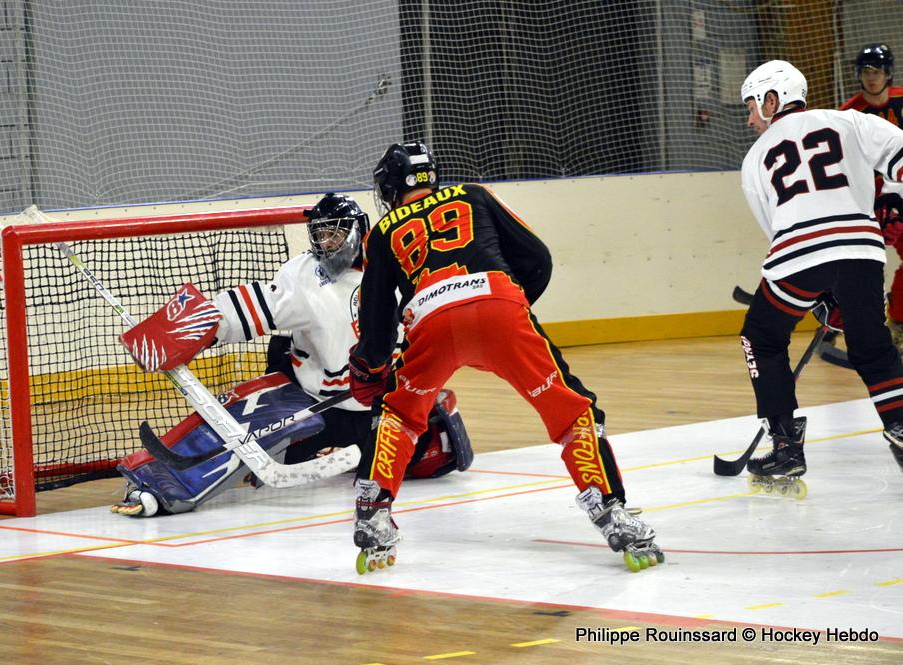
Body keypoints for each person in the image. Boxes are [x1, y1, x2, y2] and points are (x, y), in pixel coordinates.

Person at [347, 141, 662, 574]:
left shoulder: (382, 231)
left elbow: (377, 320)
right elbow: (538, 258)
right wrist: (511, 306)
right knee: (572, 410)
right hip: (499, 302)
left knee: (398, 415)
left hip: (430, 319)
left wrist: (370, 366)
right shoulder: (474, 194)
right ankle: (612, 512)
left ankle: (373, 514)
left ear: (389, 188)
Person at [112, 193, 473, 517]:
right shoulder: (305, 275)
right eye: (320, 234)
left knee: (443, 455)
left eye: (335, 234)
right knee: (248, 436)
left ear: (357, 231)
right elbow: (254, 306)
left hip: (380, 408)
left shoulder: (397, 266)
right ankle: (159, 483)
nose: (326, 243)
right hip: (316, 405)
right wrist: (182, 330)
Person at [738, 60, 903, 490]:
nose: (750, 119)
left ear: (772, 100)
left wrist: (819, 295)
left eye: (752, 106)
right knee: (872, 344)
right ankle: (900, 425)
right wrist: (895, 203)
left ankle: (786, 446)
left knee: (762, 336)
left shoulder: (755, 158)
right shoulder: (849, 120)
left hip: (798, 256)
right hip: (862, 249)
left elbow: (777, 233)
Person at [839, 43, 903, 345]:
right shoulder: (847, 115)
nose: (872, 77)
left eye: (877, 71)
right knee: (856, 265)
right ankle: (836, 321)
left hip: (899, 197)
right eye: (866, 71)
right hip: (866, 203)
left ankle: (898, 323)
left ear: (888, 73)